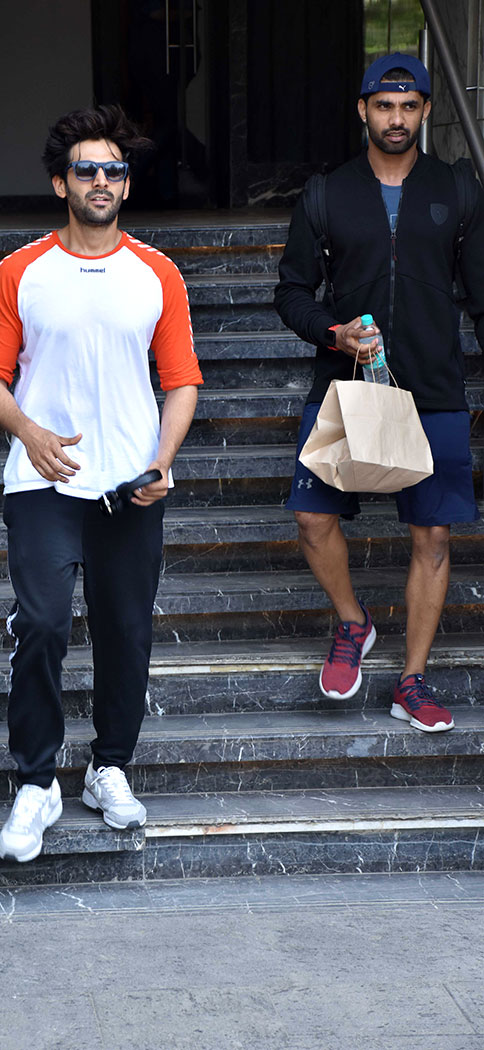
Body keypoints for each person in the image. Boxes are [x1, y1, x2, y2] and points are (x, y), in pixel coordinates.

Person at [0, 104, 203, 862]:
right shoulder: (22, 271)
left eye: (114, 170)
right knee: (41, 623)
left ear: (127, 186)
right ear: (59, 182)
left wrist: (163, 459)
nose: (101, 180)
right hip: (42, 482)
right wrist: (29, 434)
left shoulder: (157, 274)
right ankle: (35, 784)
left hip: (129, 484)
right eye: (86, 169)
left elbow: (183, 381)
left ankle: (109, 768)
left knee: (126, 634)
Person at [275, 53, 484, 733]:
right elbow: (292, 292)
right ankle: (353, 623)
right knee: (312, 518)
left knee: (432, 536)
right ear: (362, 110)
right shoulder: (326, 193)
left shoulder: (457, 188)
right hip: (344, 385)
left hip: (432, 390)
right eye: (384, 105)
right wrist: (334, 335)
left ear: (426, 111)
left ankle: (412, 681)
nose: (397, 118)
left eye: (410, 105)